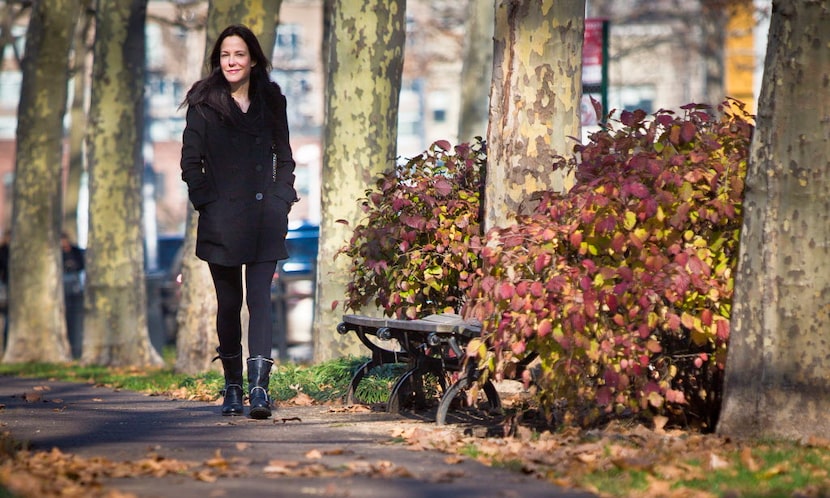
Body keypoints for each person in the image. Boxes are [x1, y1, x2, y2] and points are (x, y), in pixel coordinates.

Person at [180, 24, 297, 419]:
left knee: (260, 300)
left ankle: (260, 391)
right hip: (222, 220)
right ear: (219, 60)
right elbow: (190, 163)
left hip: (266, 217)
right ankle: (232, 389)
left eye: (239, 54)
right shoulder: (203, 102)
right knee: (229, 304)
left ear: (253, 60)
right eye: (226, 55)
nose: (232, 61)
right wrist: (207, 202)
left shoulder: (271, 99)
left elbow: (285, 155)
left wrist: (282, 198)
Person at [61, 232, 85, 359]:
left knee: (75, 322)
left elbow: (82, 265)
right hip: (62, 292)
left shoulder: (75, 251)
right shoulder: (58, 254)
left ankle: (75, 351)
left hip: (74, 292)